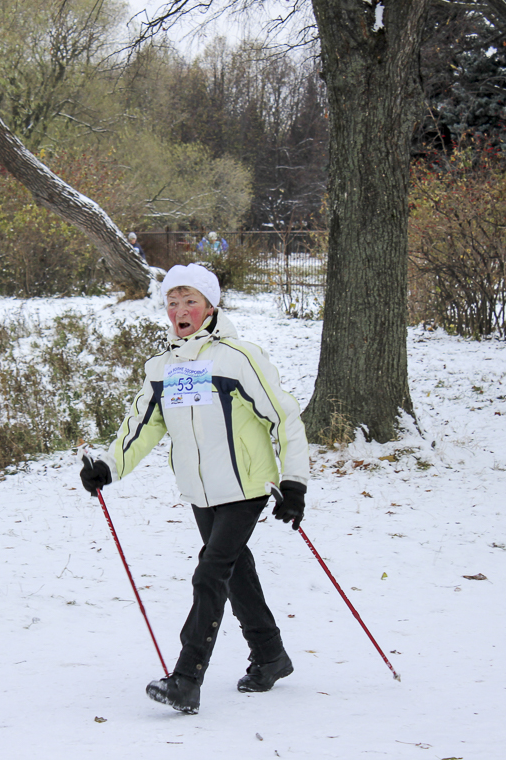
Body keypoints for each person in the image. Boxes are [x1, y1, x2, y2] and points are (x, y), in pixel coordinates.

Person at [79, 263, 308, 715]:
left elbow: (283, 417)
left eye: (190, 302)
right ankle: (270, 655)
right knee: (234, 571)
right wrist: (108, 466)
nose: (180, 310)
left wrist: (294, 481)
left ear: (209, 306)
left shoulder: (237, 357)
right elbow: (140, 427)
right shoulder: (162, 368)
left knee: (209, 575)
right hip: (201, 491)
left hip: (245, 486)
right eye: (172, 302)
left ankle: (186, 679)